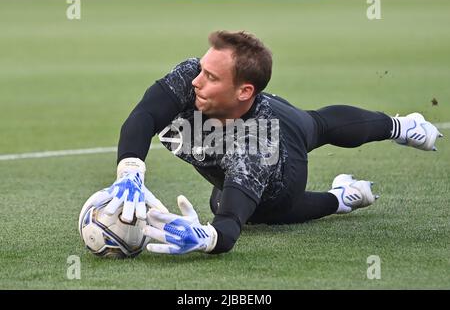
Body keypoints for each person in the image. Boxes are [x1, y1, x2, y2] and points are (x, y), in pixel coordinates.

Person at [100, 30, 443, 255]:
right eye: (202, 69)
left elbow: (230, 224)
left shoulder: (255, 147)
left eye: (211, 76)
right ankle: (351, 187)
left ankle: (373, 159)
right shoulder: (189, 78)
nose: (196, 81)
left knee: (260, 202)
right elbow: (143, 117)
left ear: (243, 90)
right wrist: (130, 170)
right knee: (221, 196)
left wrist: (210, 239)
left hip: (283, 163)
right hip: (251, 119)